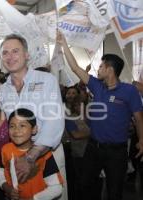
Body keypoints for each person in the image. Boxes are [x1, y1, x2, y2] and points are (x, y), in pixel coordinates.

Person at [57, 31, 143, 200]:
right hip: (93, 149)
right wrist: (63, 43)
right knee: (84, 186)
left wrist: (141, 140)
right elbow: (75, 67)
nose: (98, 68)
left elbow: (139, 118)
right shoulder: (97, 86)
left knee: (114, 191)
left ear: (110, 70)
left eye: (101, 66)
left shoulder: (129, 91)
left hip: (116, 153)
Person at [0, 34, 67, 199]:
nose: (10, 57)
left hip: (47, 153)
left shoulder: (46, 80)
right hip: (18, 154)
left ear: (27, 55)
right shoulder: (3, 89)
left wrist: (30, 157)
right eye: (5, 53)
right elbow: (5, 122)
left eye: (15, 51)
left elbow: (54, 122)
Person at [0, 108, 63, 200]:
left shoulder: (44, 155)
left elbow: (56, 188)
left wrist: (35, 198)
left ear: (34, 129)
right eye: (12, 126)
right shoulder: (5, 149)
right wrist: (6, 187)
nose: (16, 130)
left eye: (22, 125)